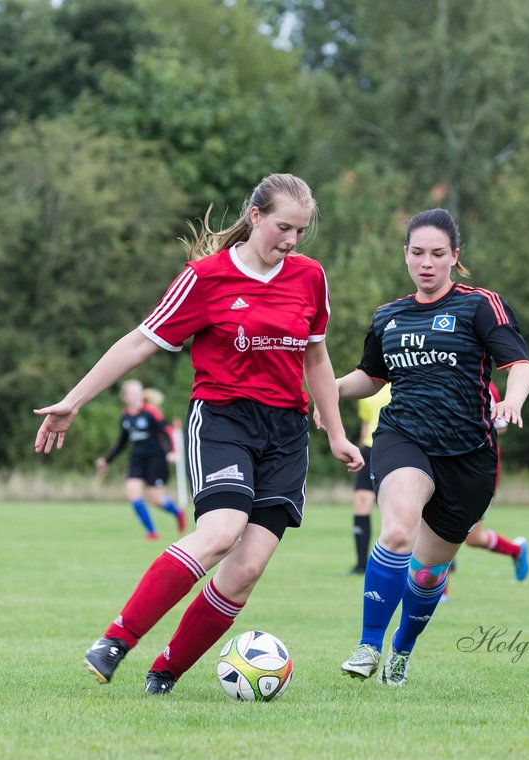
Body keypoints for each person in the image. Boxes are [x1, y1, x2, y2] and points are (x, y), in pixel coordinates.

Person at [35, 173, 363, 696]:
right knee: (220, 532)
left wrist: (337, 433)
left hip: (286, 432)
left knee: (247, 568)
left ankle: (166, 672)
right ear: (255, 217)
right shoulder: (204, 278)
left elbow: (317, 357)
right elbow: (139, 343)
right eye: (283, 227)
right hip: (223, 420)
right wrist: (73, 400)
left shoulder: (310, 277)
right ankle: (116, 640)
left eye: (300, 231)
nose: (291, 241)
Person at [333, 208, 529, 687]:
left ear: (454, 257)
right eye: (417, 253)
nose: (427, 263)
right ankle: (368, 644)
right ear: (405, 255)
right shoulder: (388, 315)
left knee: (426, 574)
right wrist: (327, 392)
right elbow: (369, 377)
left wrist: (511, 402)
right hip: (404, 437)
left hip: (469, 456)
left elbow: (519, 364)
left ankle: (401, 652)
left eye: (437, 254)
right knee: (398, 529)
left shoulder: (480, 305)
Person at [450, 382, 529, 588]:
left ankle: (516, 551)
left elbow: (501, 427)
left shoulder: (486, 386)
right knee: (441, 527)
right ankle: (441, 592)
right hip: (447, 467)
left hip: (479, 470)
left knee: (471, 537)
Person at [95, 379, 186, 540]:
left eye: (139, 391)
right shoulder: (125, 416)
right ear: (125, 397)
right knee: (133, 494)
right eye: (132, 393)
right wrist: (106, 461)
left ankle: (178, 513)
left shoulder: (152, 412)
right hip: (137, 459)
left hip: (156, 459)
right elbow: (122, 442)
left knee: (156, 499)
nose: (136, 395)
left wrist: (172, 451)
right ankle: (152, 532)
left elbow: (166, 432)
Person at [348, 383, 391, 574]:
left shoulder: (402, 380)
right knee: (361, 504)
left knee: (396, 508)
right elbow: (366, 423)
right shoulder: (368, 385)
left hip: (392, 448)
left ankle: (439, 554)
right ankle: (361, 565)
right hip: (368, 450)